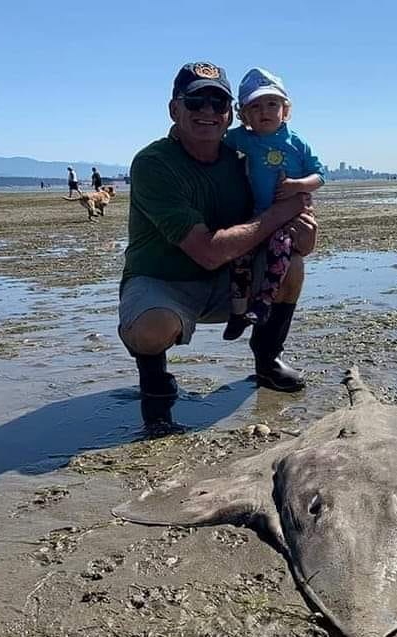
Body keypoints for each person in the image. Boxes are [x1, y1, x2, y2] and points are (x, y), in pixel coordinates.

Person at [118, 61, 316, 402]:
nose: (207, 111)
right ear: (174, 109)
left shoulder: (240, 159)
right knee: (152, 330)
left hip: (228, 281)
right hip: (163, 281)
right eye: (196, 102)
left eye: (218, 103)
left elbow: (285, 213)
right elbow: (209, 252)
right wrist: (279, 213)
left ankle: (267, 359)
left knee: (292, 266)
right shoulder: (153, 163)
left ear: (230, 114)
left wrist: (303, 234)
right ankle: (154, 378)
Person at [219, 67, 324, 340]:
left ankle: (264, 302)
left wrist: (298, 186)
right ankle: (237, 314)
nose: (264, 111)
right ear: (244, 116)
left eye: (271, 104)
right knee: (239, 257)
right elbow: (215, 140)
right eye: (255, 107)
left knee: (282, 251)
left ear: (285, 110)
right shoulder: (243, 138)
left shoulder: (297, 143)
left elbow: (319, 176)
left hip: (288, 222)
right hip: (257, 216)